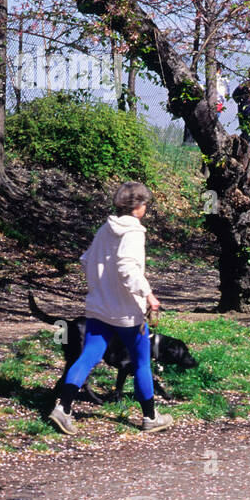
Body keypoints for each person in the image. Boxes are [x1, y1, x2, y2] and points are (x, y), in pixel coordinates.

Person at [48, 181, 174, 435]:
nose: (146, 208)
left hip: (99, 308)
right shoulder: (134, 232)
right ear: (138, 206)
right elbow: (127, 269)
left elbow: (86, 260)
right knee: (141, 362)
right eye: (145, 204)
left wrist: (100, 289)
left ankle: (63, 408)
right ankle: (150, 417)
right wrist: (149, 295)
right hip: (128, 313)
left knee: (89, 356)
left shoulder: (106, 228)